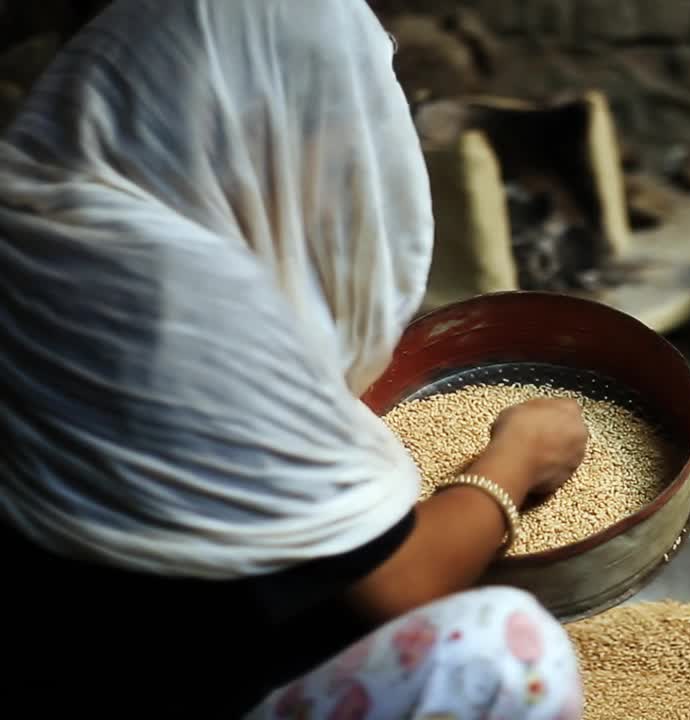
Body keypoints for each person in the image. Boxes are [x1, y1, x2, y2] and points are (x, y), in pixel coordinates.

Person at [0, 1, 589, 718]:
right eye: (334, 129)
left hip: (83, 625)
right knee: (506, 648)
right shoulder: (171, 295)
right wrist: (516, 458)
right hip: (149, 676)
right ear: (263, 120)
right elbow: (399, 586)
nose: (345, 160)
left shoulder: (37, 212)